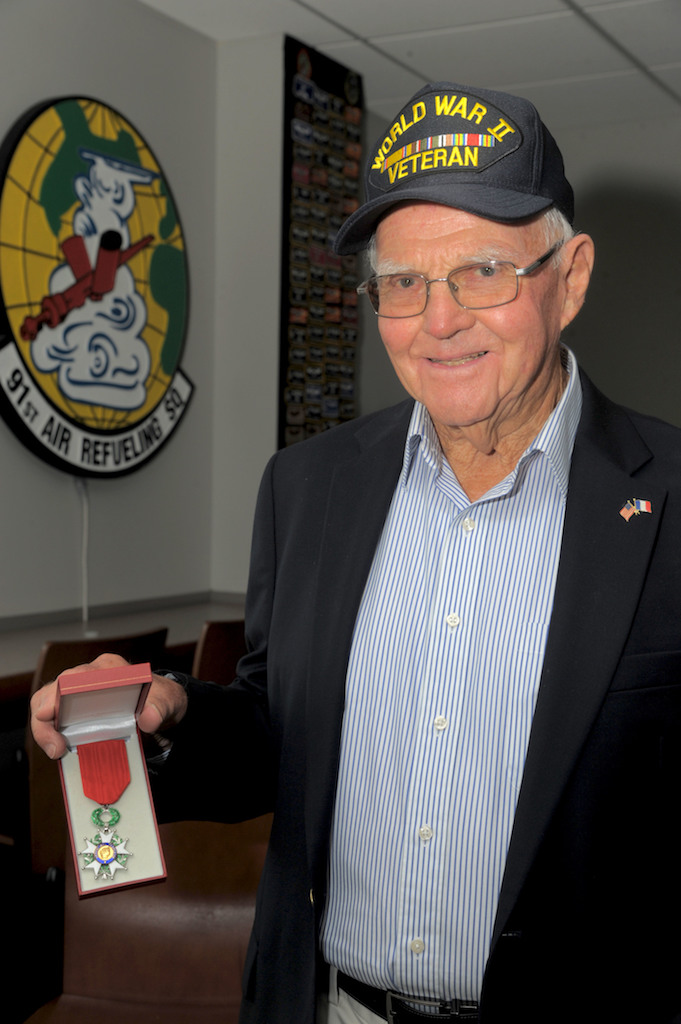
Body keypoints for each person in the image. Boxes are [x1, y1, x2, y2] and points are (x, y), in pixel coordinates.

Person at [31, 81, 681, 1024]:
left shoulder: (668, 499)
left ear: (570, 277)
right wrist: (168, 718)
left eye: (484, 271)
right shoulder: (307, 489)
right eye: (403, 283)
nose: (439, 319)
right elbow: (274, 736)